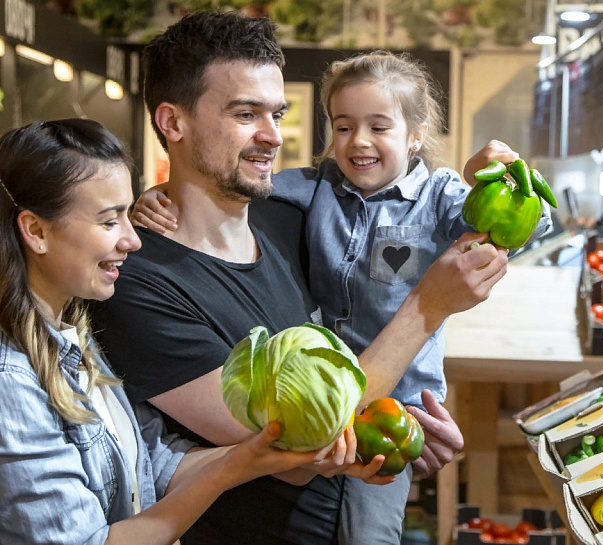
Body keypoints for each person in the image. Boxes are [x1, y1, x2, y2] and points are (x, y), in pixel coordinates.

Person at [91, 11, 510, 545]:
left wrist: (400, 431)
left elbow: (352, 367)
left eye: (277, 113)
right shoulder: (138, 282)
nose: (272, 136)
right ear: (173, 123)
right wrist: (429, 306)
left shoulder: (292, 221)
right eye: (246, 114)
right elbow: (288, 448)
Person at [0, 118, 378, 545]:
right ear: (35, 230)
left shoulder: (76, 337)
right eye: (109, 221)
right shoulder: (11, 381)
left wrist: (268, 456)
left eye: (129, 213)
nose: (133, 239)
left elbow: (158, 461)